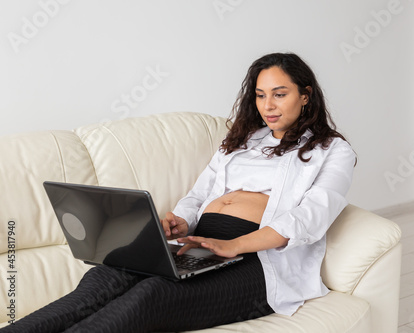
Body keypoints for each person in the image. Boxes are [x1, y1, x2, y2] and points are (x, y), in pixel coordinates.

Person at [3, 52, 356, 333]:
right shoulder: (242, 142)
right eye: (261, 96)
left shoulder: (333, 150)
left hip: (257, 260)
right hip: (202, 243)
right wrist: (181, 221)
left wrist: (233, 246)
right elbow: (198, 194)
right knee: (105, 275)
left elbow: (311, 216)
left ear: (305, 96)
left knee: (151, 295)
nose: (268, 106)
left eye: (280, 94)